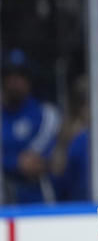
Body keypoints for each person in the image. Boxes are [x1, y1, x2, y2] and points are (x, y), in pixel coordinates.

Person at [1, 48, 60, 204]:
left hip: (36, 199)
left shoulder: (45, 114)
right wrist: (14, 162)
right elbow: (21, 163)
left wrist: (11, 160)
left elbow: (34, 162)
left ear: (29, 79)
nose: (15, 81)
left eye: (21, 75)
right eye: (10, 75)